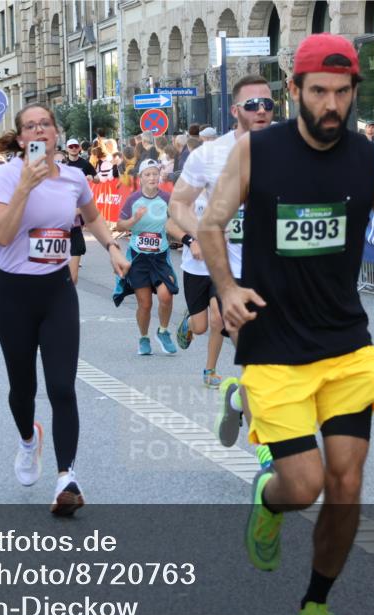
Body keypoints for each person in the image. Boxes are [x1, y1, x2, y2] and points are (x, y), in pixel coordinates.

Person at [197, 34, 374, 615]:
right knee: (305, 486)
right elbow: (211, 223)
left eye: (342, 92)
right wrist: (226, 287)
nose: (331, 104)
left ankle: (317, 603)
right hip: (272, 343)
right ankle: (270, 498)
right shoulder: (256, 152)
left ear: (355, 93)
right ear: (293, 91)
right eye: (318, 91)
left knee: (347, 482)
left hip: (346, 345)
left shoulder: (372, 160)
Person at [0, 103, 130, 515]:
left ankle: (66, 477)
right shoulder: (8, 175)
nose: (38, 131)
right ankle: (29, 440)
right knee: (23, 388)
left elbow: (92, 217)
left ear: (54, 132)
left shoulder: (72, 177)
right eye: (29, 127)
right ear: (21, 137)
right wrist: (25, 187)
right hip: (13, 295)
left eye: (44, 125)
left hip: (57, 291)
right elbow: (1, 234)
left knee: (62, 387)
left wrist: (113, 248)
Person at [168, 74, 274, 392]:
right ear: (234, 111)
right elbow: (177, 205)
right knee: (216, 327)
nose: (261, 110)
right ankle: (256, 415)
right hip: (217, 264)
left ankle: (248, 405)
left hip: (269, 267)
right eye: (252, 104)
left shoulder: (289, 150)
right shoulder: (209, 155)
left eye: (267, 104)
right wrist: (203, 235)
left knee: (267, 352)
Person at [112, 159, 178, 355]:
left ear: (159, 176)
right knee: (145, 303)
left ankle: (163, 331)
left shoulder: (167, 198)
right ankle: (143, 338)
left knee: (166, 295)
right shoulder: (133, 200)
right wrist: (134, 220)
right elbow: (119, 225)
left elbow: (176, 221)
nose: (152, 178)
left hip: (160, 256)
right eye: (147, 174)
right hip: (139, 257)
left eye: (154, 174)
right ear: (140, 178)